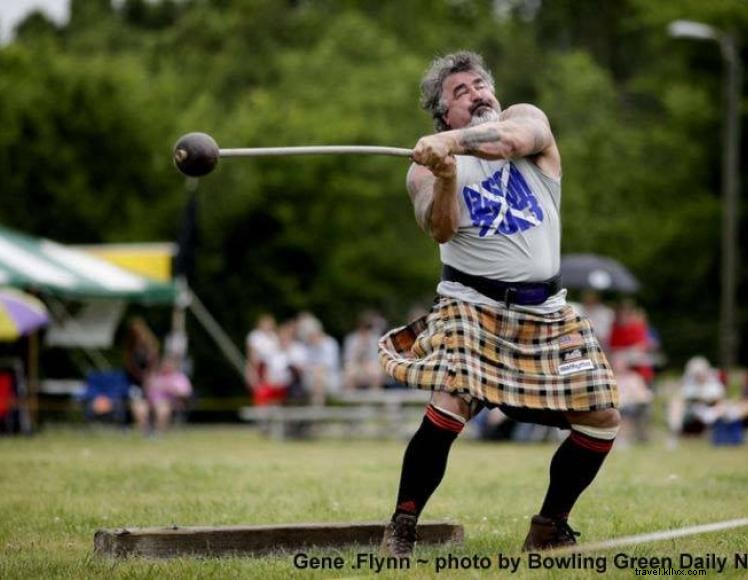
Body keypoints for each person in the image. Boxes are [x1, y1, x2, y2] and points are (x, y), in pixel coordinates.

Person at [378, 51, 619, 556]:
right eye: (459, 93)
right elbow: (439, 227)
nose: (476, 94)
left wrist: (448, 142)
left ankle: (550, 525)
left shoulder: (528, 124)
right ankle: (402, 526)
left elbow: (509, 141)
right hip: (471, 307)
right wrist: (445, 171)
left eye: (479, 84)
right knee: (449, 403)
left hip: (548, 312)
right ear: (444, 115)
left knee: (601, 417)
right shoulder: (423, 172)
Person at [123, 317, 160, 430]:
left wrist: (147, 378)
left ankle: (149, 427)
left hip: (144, 381)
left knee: (145, 403)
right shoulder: (133, 348)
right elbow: (131, 367)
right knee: (139, 403)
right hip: (137, 382)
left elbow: (152, 364)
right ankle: (144, 427)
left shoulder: (147, 348)